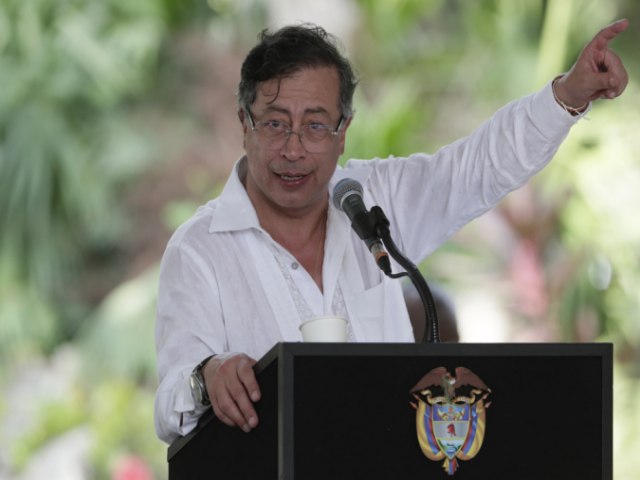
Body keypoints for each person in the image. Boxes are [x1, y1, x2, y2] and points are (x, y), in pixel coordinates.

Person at [154, 21, 628, 443]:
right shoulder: (199, 250)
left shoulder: (371, 200)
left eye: (315, 126)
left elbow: (478, 167)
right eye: (276, 124)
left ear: (343, 132)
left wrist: (568, 95)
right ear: (245, 124)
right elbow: (169, 403)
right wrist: (206, 378)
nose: (293, 149)